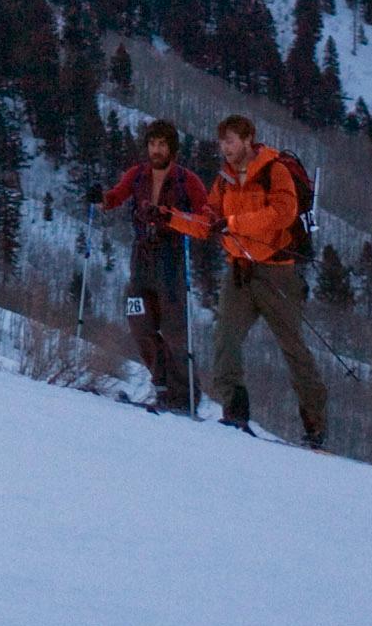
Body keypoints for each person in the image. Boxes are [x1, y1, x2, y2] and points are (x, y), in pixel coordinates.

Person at [166, 115, 328, 448]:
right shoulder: (224, 179)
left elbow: (282, 213)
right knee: (225, 338)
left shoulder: (274, 169)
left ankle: (315, 422)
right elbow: (209, 221)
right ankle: (235, 411)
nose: (225, 148)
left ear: (248, 140)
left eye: (231, 141)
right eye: (222, 142)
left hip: (277, 272)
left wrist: (234, 222)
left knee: (293, 347)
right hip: (239, 270)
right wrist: (170, 218)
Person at [91, 119, 208, 413]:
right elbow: (115, 197)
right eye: (152, 144)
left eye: (162, 144)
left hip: (170, 257)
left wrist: (173, 217)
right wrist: (101, 200)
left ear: (172, 148)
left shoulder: (187, 181)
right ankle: (163, 387)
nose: (156, 150)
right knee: (138, 320)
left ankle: (185, 397)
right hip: (141, 254)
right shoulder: (138, 175)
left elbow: (205, 220)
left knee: (174, 330)